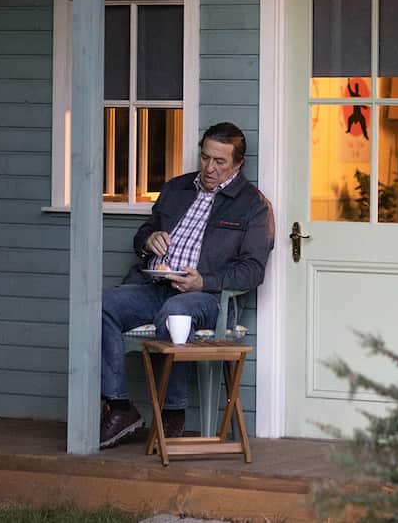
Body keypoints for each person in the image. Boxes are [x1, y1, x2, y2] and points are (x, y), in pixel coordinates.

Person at [98, 121, 274, 448]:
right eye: (205, 157)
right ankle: (120, 407)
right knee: (103, 305)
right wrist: (149, 240)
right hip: (155, 286)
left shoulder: (253, 205)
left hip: (206, 298)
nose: (209, 168)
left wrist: (203, 281)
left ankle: (172, 412)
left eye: (219, 161)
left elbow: (252, 271)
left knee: (175, 313)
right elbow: (143, 232)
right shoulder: (177, 189)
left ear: (238, 164)